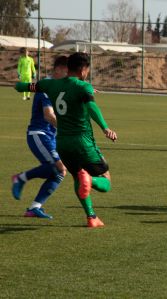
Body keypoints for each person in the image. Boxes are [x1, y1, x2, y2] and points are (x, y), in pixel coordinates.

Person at [15, 52, 118, 228]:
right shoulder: (83, 87)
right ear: (84, 70)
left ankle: (91, 217)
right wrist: (105, 128)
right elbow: (91, 106)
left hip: (62, 144)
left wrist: (21, 85)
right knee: (105, 179)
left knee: (77, 176)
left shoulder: (50, 85)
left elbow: (21, 87)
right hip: (82, 143)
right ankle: (91, 181)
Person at [11, 56, 69, 219]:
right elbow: (48, 116)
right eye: (66, 72)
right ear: (57, 69)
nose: (67, 77)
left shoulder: (59, 87)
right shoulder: (46, 86)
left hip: (51, 136)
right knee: (60, 168)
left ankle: (34, 208)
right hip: (39, 134)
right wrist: (67, 129)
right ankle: (20, 178)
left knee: (59, 172)